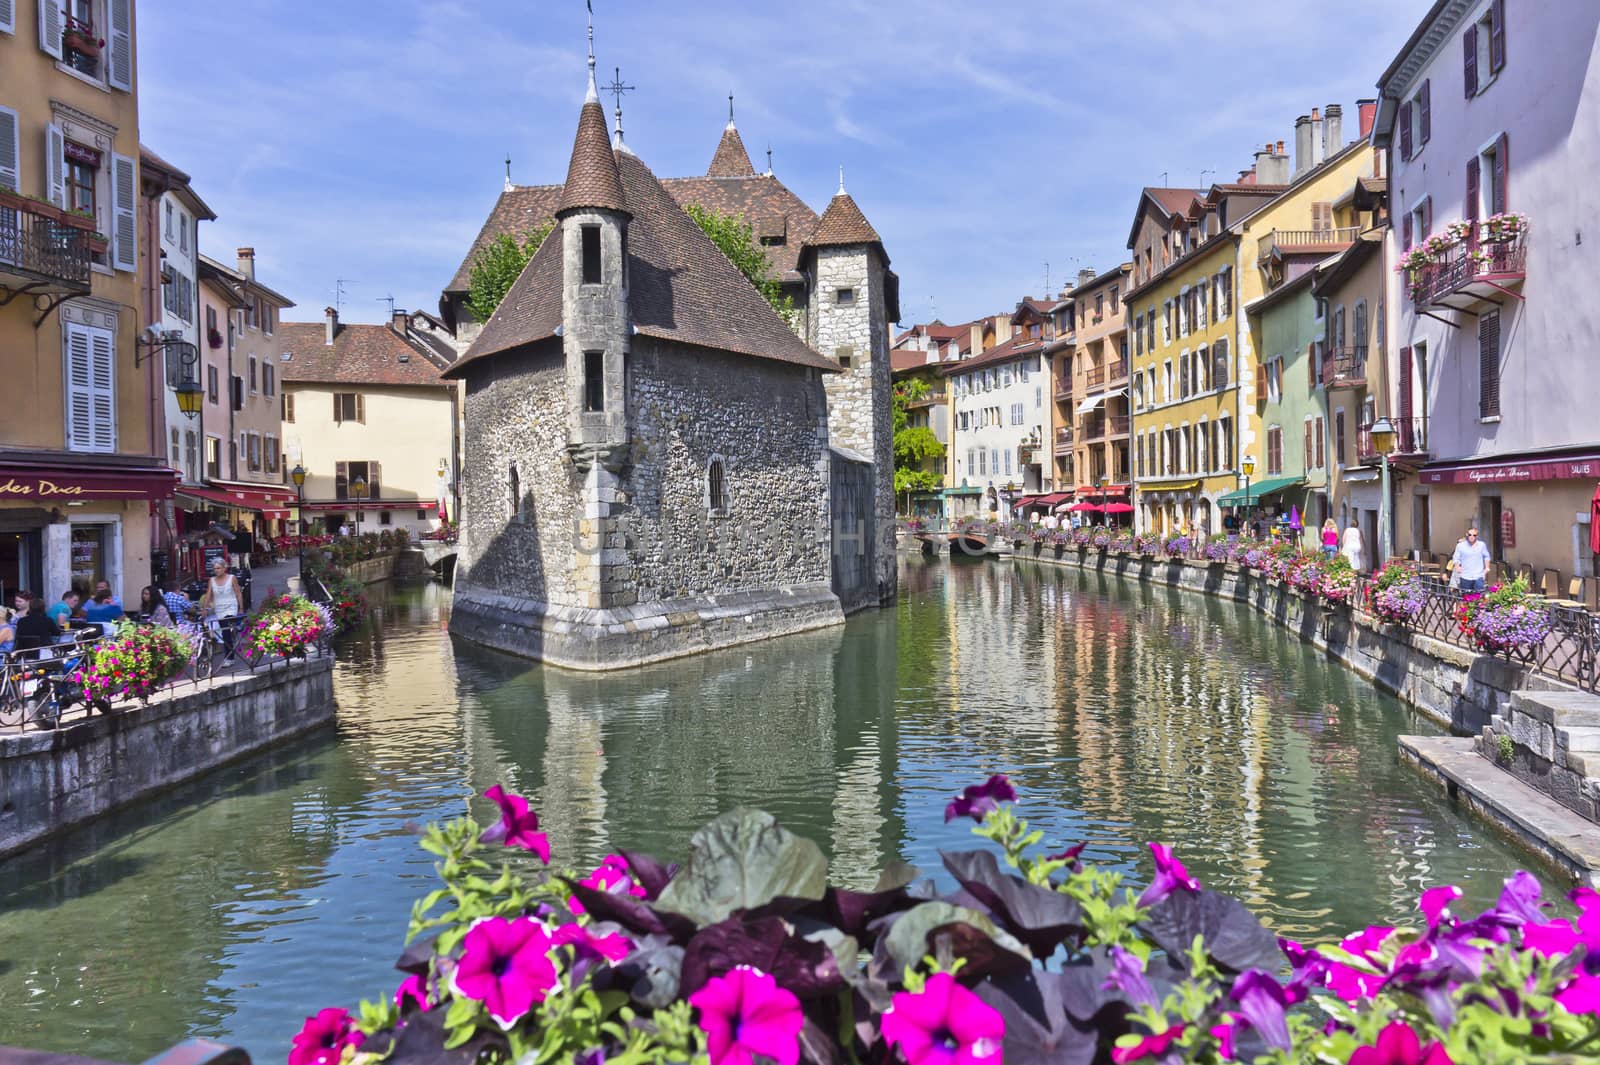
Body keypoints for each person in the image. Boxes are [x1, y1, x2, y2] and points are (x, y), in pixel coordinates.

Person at [202, 559, 245, 661]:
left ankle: (229, 658)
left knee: (226, 632)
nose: (216, 570)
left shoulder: (232, 578)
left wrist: (241, 607)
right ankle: (232, 639)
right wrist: (204, 608)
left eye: (218, 568)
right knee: (225, 633)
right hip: (219, 608)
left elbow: (238, 592)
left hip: (231, 607)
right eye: (215, 568)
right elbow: (208, 595)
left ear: (224, 568)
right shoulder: (211, 580)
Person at [1450, 526, 1494, 594]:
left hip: (1478, 576)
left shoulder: (1482, 545)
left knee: (1479, 597)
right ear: (1467, 534)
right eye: (1470, 534)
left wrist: (1487, 568)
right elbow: (1456, 558)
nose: (1472, 536)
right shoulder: (1460, 546)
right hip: (1465, 576)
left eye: (1474, 535)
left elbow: (1486, 556)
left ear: (1477, 536)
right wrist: (1457, 566)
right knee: (1466, 598)